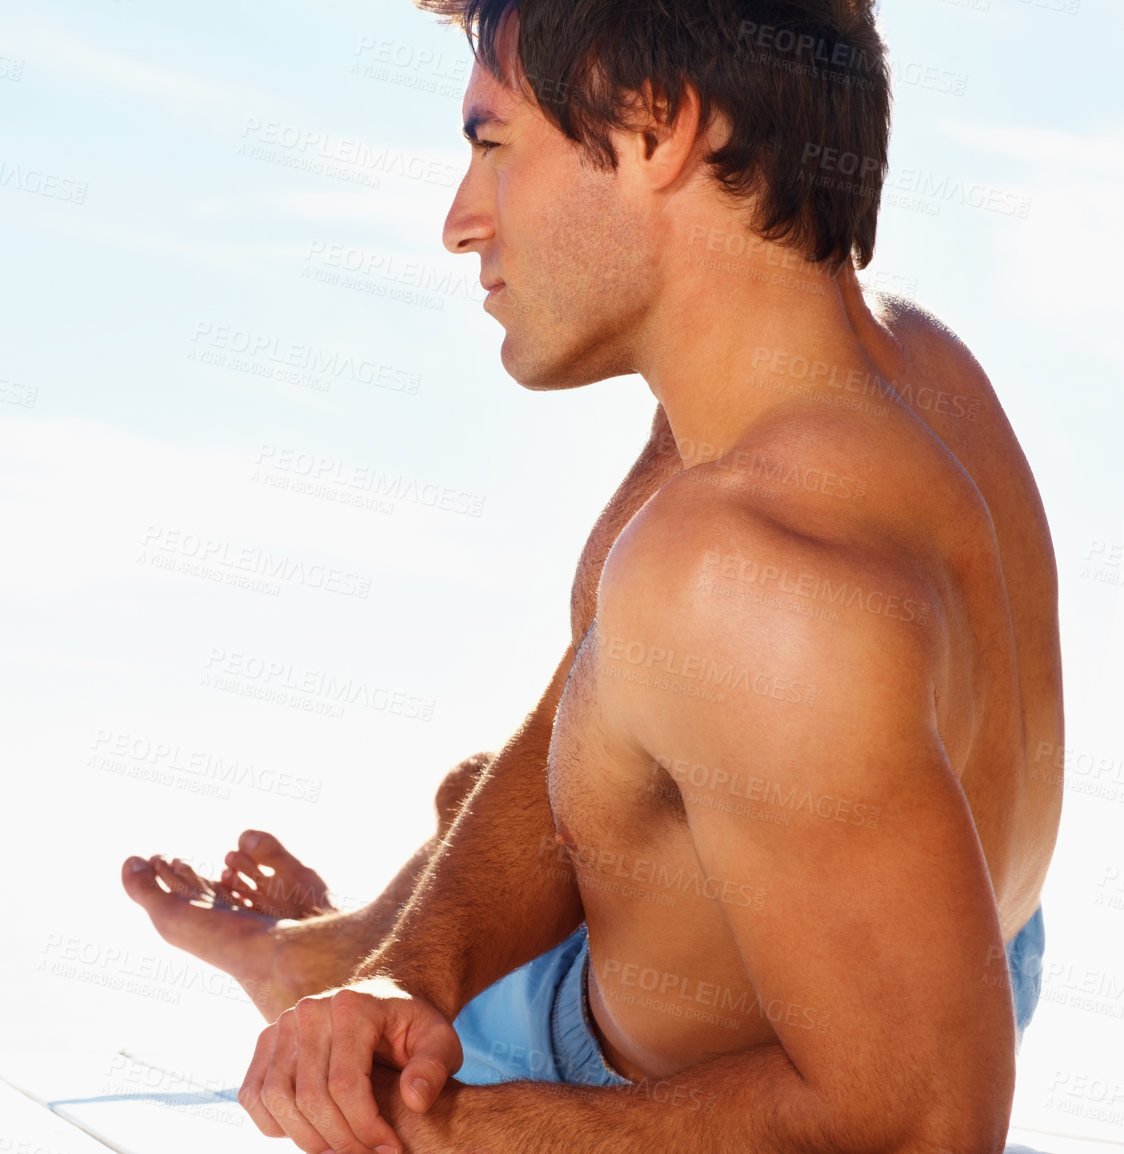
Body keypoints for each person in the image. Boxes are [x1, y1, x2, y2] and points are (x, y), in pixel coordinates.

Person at [123, 0, 1062, 1149]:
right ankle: (355, 949)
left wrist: (428, 1119)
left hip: (682, 1081)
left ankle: (324, 957)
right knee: (567, 741)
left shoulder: (739, 572)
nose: (460, 222)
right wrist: (404, 972)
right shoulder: (900, 368)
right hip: (953, 963)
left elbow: (919, 1121)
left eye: (490, 144)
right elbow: (620, 675)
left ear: (658, 124)